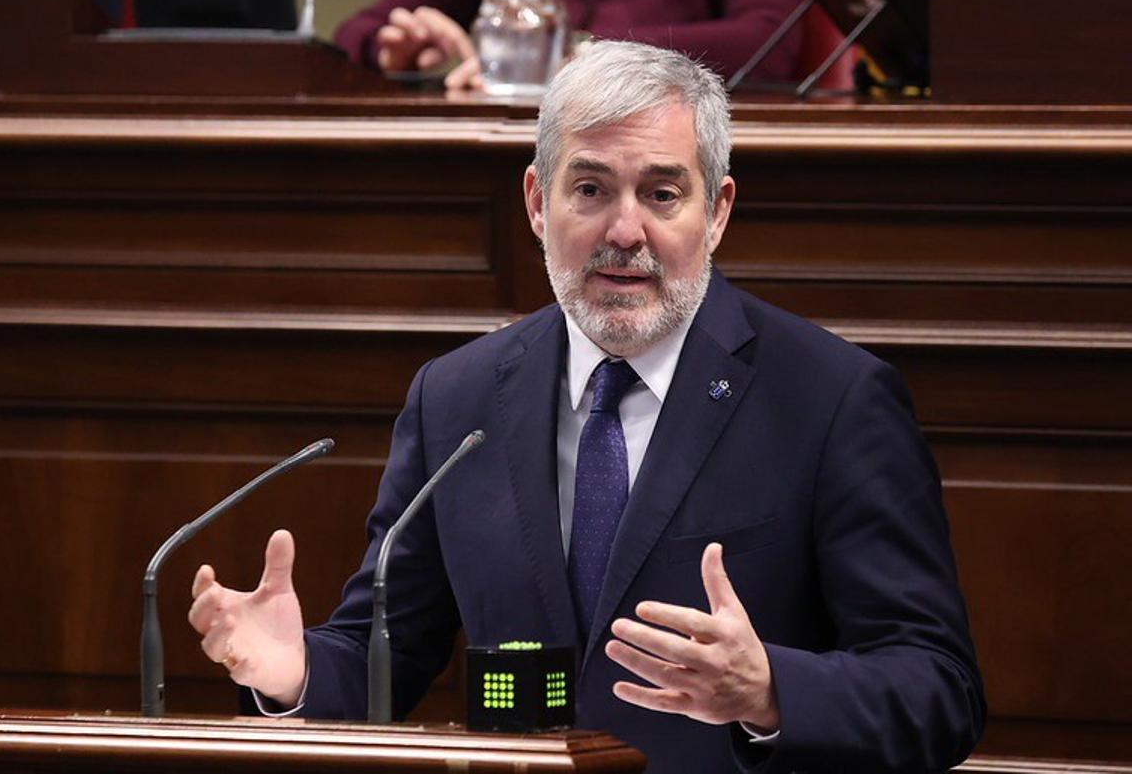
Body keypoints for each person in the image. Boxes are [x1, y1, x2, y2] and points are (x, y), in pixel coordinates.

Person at [188, 40, 986, 772]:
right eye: (592, 188)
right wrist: (292, 672)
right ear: (538, 202)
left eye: (663, 192)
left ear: (718, 211)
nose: (625, 230)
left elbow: (938, 689)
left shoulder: (831, 398)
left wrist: (770, 687)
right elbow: (385, 659)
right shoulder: (457, 396)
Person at [333, 0, 807, 89]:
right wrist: (398, 49)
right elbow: (357, 32)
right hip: (517, 158)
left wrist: (585, 54)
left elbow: (772, 39)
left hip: (663, 146)